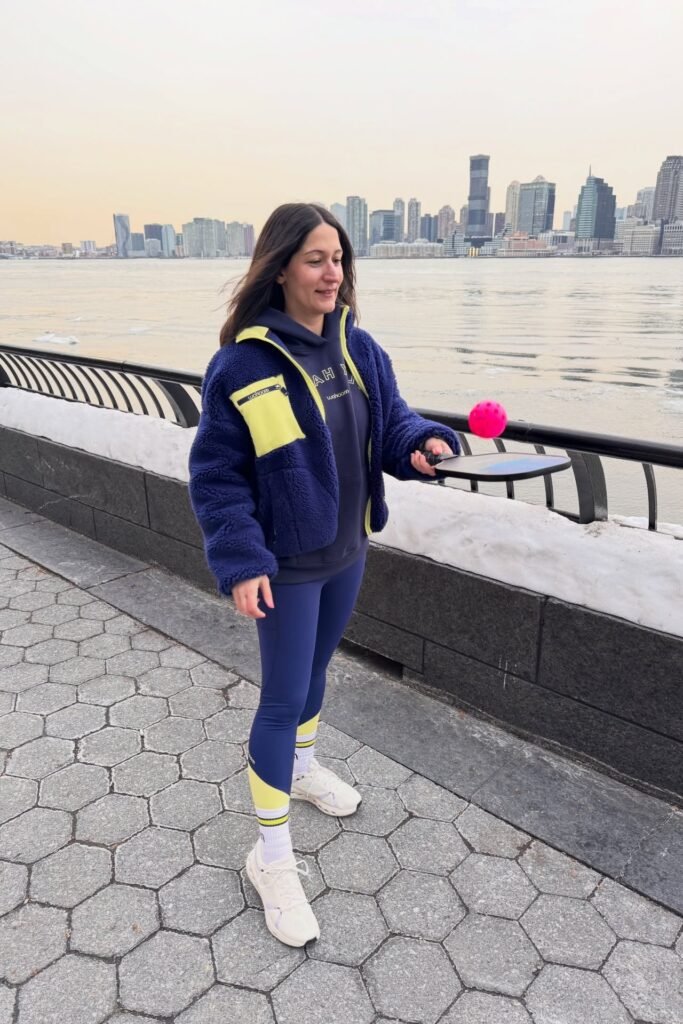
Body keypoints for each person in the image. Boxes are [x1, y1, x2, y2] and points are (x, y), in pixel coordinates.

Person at [188, 203, 459, 947]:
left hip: (347, 552)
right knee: (280, 699)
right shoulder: (241, 363)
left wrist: (423, 446)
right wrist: (240, 560)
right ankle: (269, 858)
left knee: (314, 680)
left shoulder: (359, 349)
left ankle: (302, 770)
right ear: (279, 268)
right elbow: (217, 476)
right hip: (286, 568)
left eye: (338, 258)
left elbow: (394, 425)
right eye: (315, 258)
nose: (332, 272)